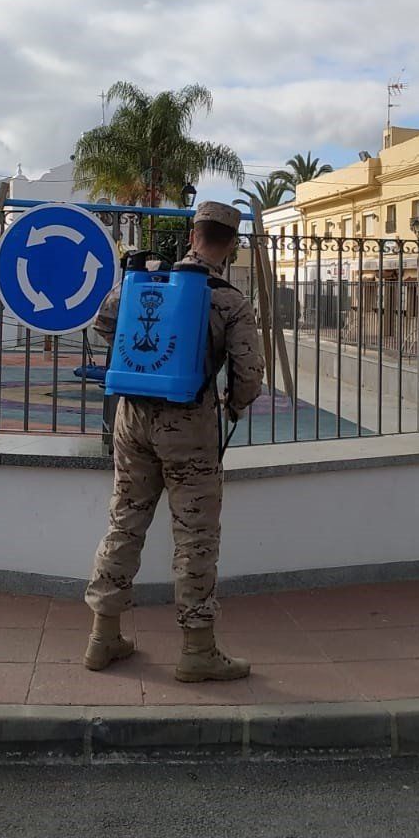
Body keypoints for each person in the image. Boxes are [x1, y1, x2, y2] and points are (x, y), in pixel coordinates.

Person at [82, 200, 265, 681]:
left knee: (124, 520)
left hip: (131, 416)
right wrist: (234, 403)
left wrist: (148, 367)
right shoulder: (227, 298)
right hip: (188, 425)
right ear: (231, 245)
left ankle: (103, 637)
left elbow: (104, 325)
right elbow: (249, 376)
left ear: (193, 236)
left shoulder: (144, 281)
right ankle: (197, 650)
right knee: (195, 535)